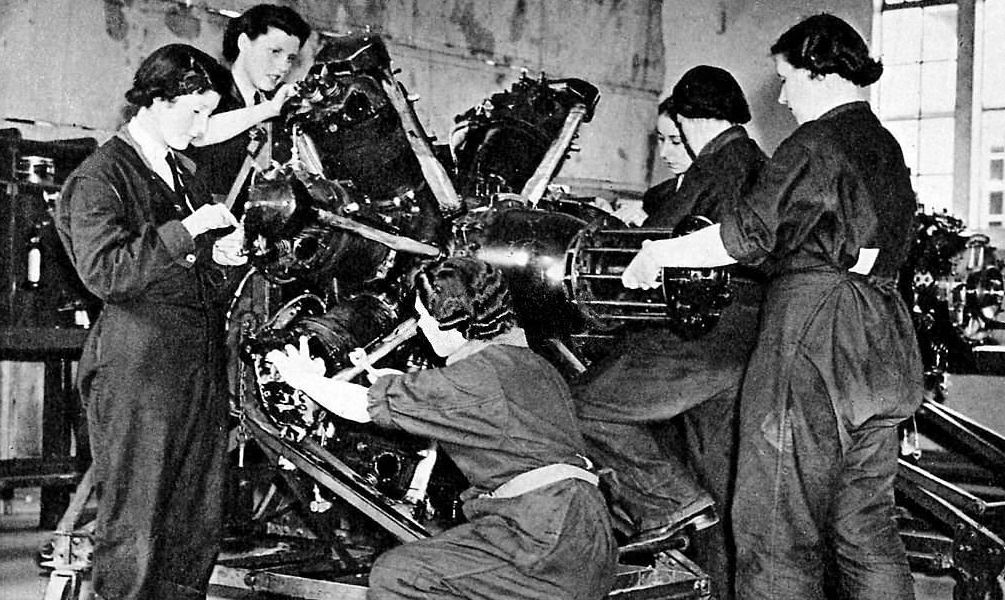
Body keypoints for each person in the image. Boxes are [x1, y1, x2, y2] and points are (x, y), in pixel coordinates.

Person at [622, 14, 923, 600]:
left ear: (819, 70)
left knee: (775, 526)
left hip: (815, 340)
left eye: (788, 79)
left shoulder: (816, 142)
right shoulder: (883, 144)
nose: (782, 97)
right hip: (883, 338)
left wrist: (660, 254)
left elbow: (748, 235)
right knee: (866, 529)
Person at [267, 256, 618, 600]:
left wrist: (303, 379)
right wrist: (392, 383)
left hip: (543, 542)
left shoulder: (477, 378)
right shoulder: (532, 365)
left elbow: (360, 408)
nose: (420, 327)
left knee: (399, 575)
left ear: (452, 319)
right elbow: (475, 409)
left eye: (423, 316)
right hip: (586, 536)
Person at [54, 44, 246, 599]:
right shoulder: (101, 177)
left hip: (193, 368)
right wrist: (188, 231)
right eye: (194, 111)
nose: (203, 125)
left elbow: (188, 276)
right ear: (156, 101)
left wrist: (223, 260)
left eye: (209, 113)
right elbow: (107, 272)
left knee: (193, 523)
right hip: (138, 371)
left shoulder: (179, 172)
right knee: (134, 525)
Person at [573, 65, 766, 600]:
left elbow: (658, 244)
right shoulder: (759, 165)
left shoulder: (718, 167)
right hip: (744, 345)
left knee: (582, 407)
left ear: (690, 118)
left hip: (699, 339)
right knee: (721, 489)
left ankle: (666, 502)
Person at [186, 3, 312, 212]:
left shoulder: (281, 107)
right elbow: (197, 134)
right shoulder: (206, 93)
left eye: (290, 58)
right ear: (244, 42)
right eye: (274, 52)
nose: (283, 67)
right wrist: (269, 109)